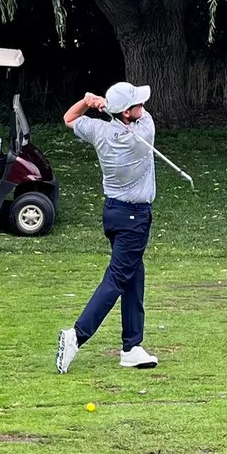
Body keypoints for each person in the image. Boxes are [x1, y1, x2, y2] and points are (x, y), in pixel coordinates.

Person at [56, 80, 160, 371]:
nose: (144, 106)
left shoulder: (100, 131)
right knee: (117, 278)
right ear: (126, 113)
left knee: (133, 274)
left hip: (113, 213)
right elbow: (141, 117)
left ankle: (132, 346)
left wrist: (89, 102)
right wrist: (106, 103)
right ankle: (77, 335)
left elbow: (69, 118)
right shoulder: (143, 133)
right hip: (135, 218)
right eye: (138, 103)